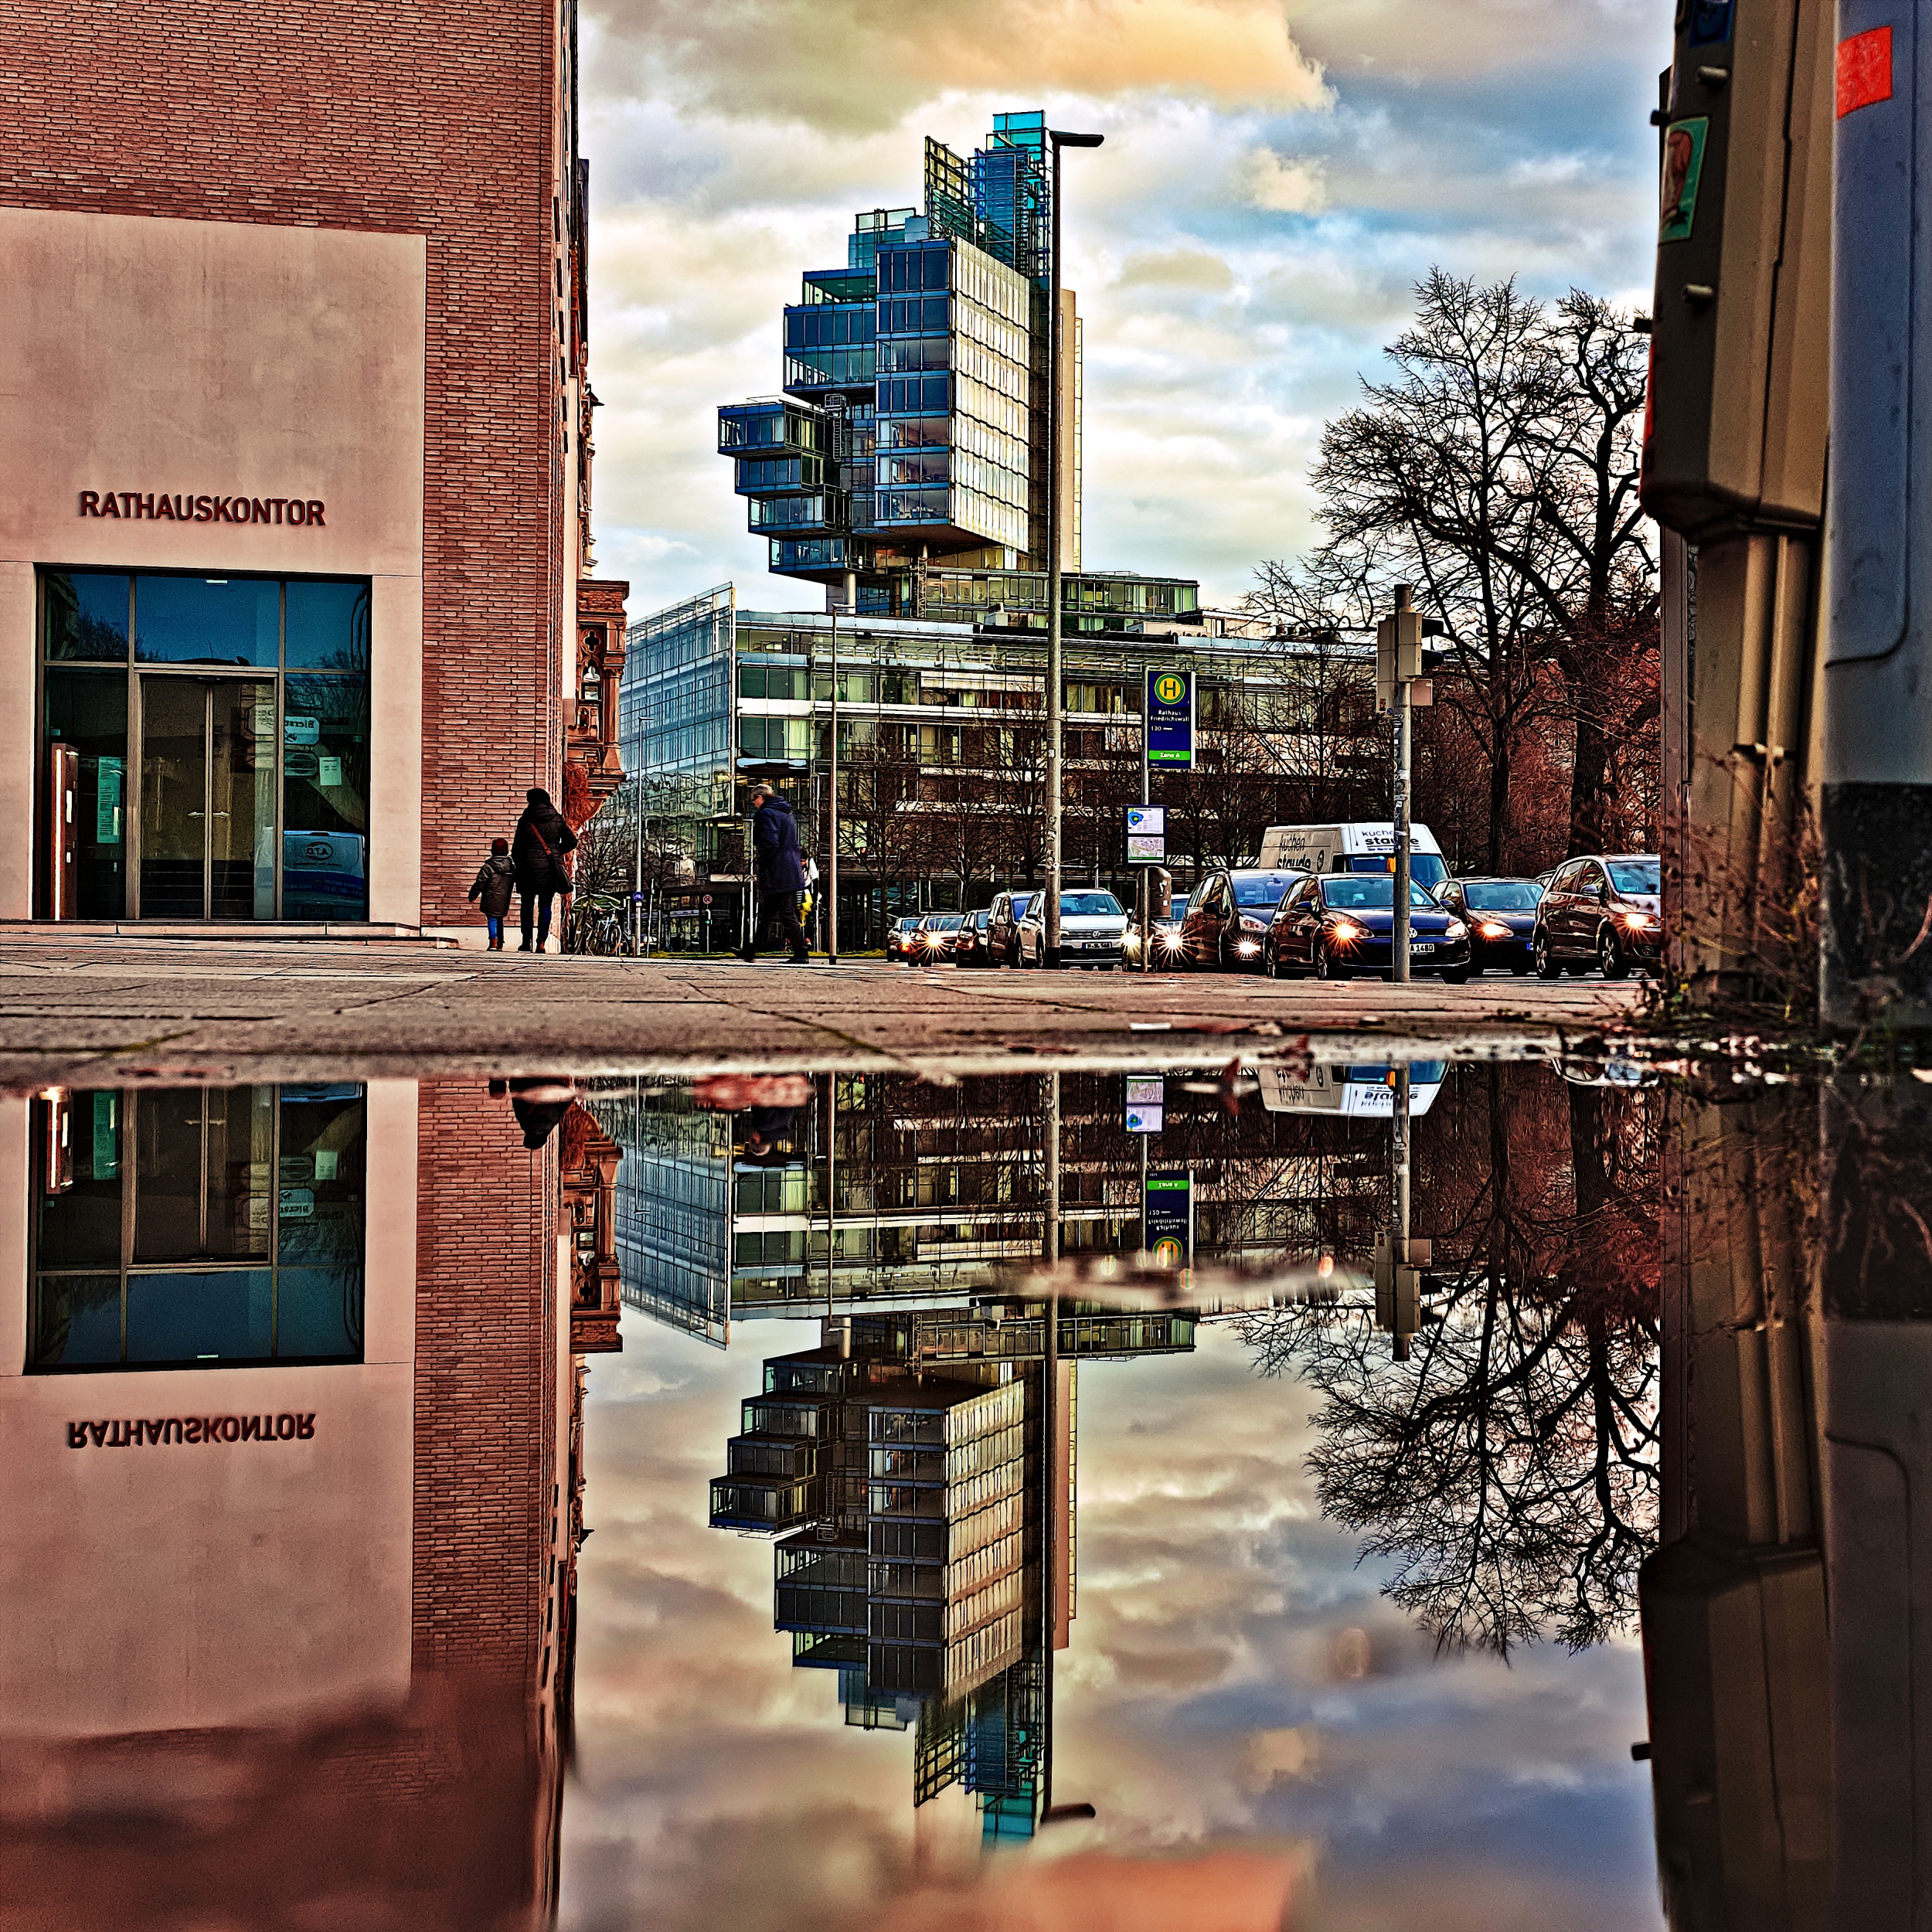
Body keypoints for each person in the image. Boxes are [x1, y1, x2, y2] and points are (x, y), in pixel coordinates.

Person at [737, 784, 810, 964]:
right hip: (789, 868)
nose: (754, 804)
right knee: (767, 913)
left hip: (778, 870)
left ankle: (801, 953)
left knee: (785, 914)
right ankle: (751, 951)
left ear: (760, 797)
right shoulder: (786, 814)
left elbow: (771, 842)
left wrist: (761, 860)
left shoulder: (767, 814)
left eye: (754, 800)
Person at [511, 786, 577, 954]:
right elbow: (572, 841)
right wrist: (556, 851)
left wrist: (522, 861)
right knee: (545, 906)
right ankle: (541, 942)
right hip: (550, 868)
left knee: (527, 905)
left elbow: (517, 848)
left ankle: (526, 942)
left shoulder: (525, 819)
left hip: (528, 868)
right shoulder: (557, 818)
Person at [467, 836, 515, 950]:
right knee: (500, 918)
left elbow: (480, 882)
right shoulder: (511, 867)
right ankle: (500, 943)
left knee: (492, 919)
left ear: (493, 851)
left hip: (490, 896)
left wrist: (473, 895)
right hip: (504, 898)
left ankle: (493, 942)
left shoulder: (488, 866)